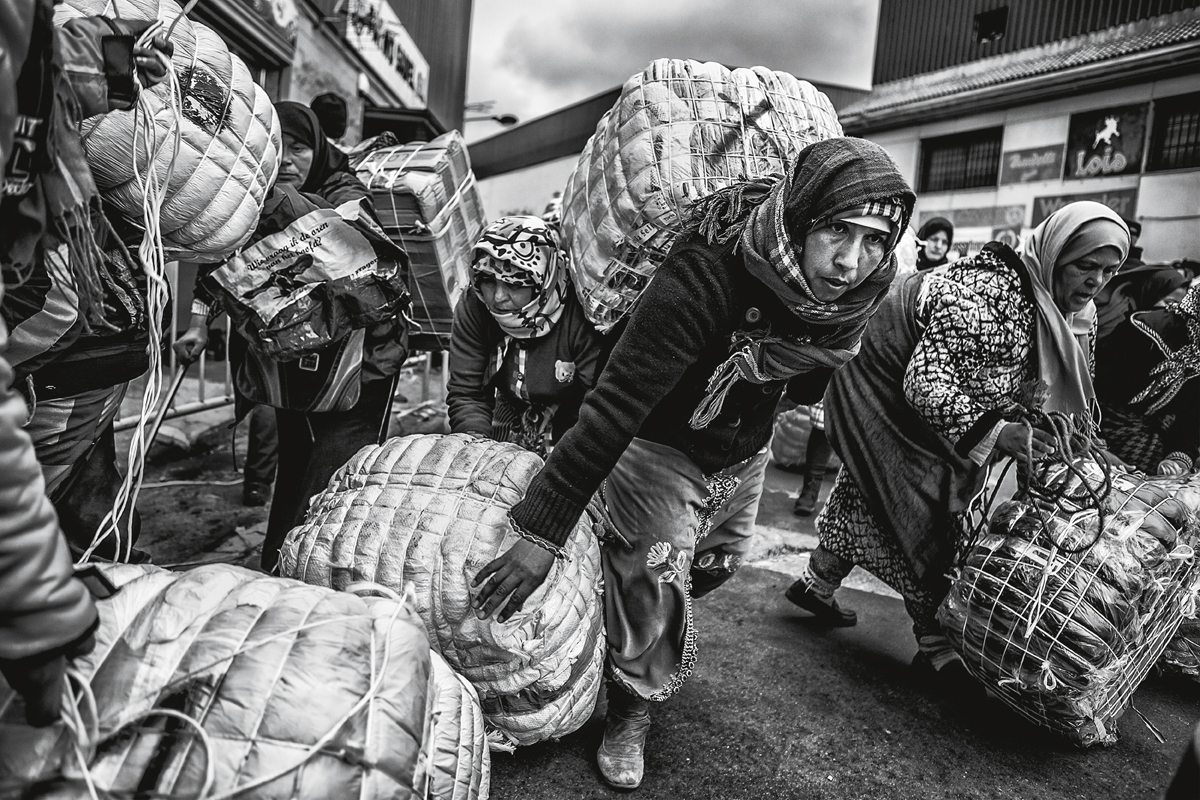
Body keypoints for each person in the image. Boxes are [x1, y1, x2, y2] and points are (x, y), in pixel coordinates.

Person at [469, 137, 915, 790]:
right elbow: (616, 404)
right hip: (656, 439)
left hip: (741, 448)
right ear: (800, 217)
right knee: (656, 570)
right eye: (836, 231)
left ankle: (619, 615)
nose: (852, 260)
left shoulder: (854, 300)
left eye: (875, 239)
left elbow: (827, 382)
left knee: (718, 562)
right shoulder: (707, 273)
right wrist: (541, 528)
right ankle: (631, 707)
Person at [784, 201, 1129, 682]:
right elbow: (926, 384)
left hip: (942, 392)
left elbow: (1055, 392)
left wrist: (1070, 439)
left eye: (1108, 272)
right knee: (926, 495)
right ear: (1054, 256)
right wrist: (999, 432)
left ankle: (816, 583)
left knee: (873, 486)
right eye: (1084, 267)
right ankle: (934, 641)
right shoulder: (991, 296)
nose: (1095, 282)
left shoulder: (1075, 316)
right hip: (881, 374)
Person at [0, 0, 170, 725]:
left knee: (84, 517)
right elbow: (52, 308)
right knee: (67, 516)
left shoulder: (86, 188)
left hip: (90, 385)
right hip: (65, 382)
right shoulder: (67, 202)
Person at [175, 101, 404, 572]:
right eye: (279, 149)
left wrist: (277, 202)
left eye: (299, 147)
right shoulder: (257, 200)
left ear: (318, 147)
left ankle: (321, 581)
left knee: (335, 480)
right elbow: (217, 263)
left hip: (361, 372)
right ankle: (275, 569)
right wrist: (199, 322)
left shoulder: (345, 192)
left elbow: (342, 244)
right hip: (295, 373)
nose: (289, 160)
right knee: (295, 473)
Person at [447, 216, 603, 456]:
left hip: (575, 414)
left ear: (544, 280)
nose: (498, 297)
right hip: (511, 405)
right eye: (488, 281)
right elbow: (468, 394)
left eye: (515, 284)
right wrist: (475, 449)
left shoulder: (580, 312)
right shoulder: (474, 305)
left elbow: (598, 405)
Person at [1095, 280, 1199, 475]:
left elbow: (1192, 420)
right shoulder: (1144, 333)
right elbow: (1091, 391)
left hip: (1156, 435)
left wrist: (1178, 458)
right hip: (1102, 429)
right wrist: (1096, 446)